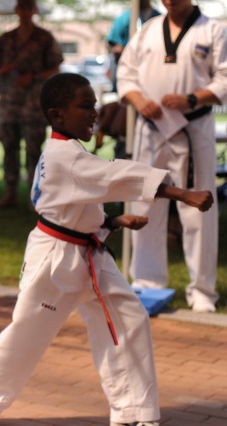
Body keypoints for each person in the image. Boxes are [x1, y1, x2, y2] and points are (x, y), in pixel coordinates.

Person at [0, 73, 214, 426]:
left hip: (89, 254)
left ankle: (133, 411)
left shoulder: (69, 152)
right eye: (85, 106)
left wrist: (114, 223)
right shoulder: (65, 157)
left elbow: (79, 205)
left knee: (129, 320)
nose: (94, 113)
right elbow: (117, 174)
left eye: (95, 105)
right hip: (55, 260)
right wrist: (183, 194)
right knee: (28, 334)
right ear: (57, 116)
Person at [116, 0, 226, 313]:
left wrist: (192, 98)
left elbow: (225, 77)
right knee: (144, 201)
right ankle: (148, 284)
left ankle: (202, 291)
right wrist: (138, 101)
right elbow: (126, 73)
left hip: (192, 128)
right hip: (151, 128)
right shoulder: (149, 29)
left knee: (199, 207)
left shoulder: (213, 30)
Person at [0, 0, 63, 210]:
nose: (26, 12)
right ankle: (10, 194)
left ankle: (35, 196)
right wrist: (5, 69)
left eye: (30, 8)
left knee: (33, 150)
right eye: (23, 8)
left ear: (34, 10)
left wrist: (35, 76)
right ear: (17, 10)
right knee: (9, 148)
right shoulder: (6, 39)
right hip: (9, 104)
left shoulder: (44, 38)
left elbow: (56, 67)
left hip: (34, 105)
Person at [107, 0, 160, 92]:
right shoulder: (125, 18)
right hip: (130, 66)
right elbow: (115, 43)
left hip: (152, 66)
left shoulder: (158, 17)